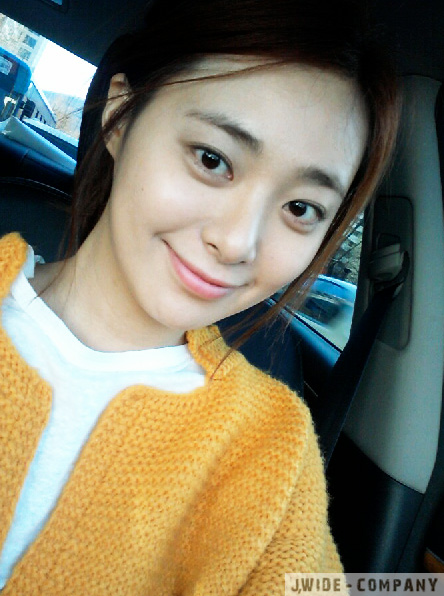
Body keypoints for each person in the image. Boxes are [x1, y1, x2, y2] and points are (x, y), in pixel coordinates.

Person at [0, 0, 399, 593]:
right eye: (212, 159)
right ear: (120, 116)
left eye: (300, 208)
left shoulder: (273, 451)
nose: (237, 243)